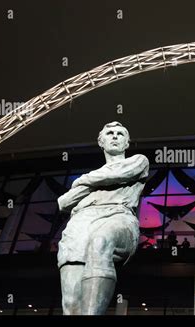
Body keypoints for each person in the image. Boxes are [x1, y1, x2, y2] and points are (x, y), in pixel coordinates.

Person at [57, 121, 149, 315]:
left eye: (119, 134)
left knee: (100, 241)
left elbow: (118, 173)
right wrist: (93, 182)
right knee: (71, 304)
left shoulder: (139, 161)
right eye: (109, 134)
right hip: (79, 226)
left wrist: (83, 181)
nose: (114, 136)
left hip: (117, 217)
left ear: (126, 143)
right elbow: (63, 202)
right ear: (101, 142)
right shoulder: (95, 176)